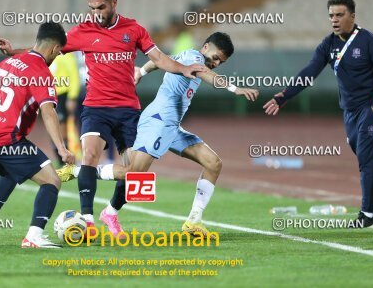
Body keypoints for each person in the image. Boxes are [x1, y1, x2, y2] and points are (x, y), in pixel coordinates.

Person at [0, 0, 206, 238]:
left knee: (136, 173)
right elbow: (45, 50)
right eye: (92, 8)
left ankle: (111, 213)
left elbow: (158, 58)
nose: (97, 13)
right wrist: (13, 51)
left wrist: (182, 69)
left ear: (114, 3)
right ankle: (88, 220)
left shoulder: (134, 30)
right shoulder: (83, 31)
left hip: (128, 109)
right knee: (90, 153)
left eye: (101, 7)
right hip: (96, 107)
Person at [58, 32, 259, 238]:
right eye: (216, 57)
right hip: (158, 122)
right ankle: (80, 172)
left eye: (220, 62)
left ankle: (193, 221)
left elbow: (159, 61)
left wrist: (142, 71)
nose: (216, 63)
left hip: (172, 127)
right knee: (134, 174)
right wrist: (235, 89)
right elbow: (206, 75)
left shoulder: (184, 55)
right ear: (206, 47)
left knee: (213, 163)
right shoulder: (195, 59)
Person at [263, 0, 373, 228]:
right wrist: (284, 96)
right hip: (349, 110)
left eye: (339, 15)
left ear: (352, 16)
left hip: (370, 108)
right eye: (331, 16)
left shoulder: (369, 42)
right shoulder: (328, 44)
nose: (334, 20)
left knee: (366, 160)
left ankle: (365, 215)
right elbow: (309, 72)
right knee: (369, 159)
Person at [0, 22, 74, 248]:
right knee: (52, 180)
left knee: (11, 171)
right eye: (59, 51)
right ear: (54, 49)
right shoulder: (41, 73)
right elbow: (48, 112)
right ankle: (34, 236)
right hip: (5, 140)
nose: (59, 55)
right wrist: (61, 148)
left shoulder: (8, 62)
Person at [49, 51, 80, 166]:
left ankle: (67, 160)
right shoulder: (47, 54)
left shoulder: (65, 55)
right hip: (49, 95)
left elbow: (74, 75)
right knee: (51, 128)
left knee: (61, 128)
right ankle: (60, 160)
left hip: (62, 95)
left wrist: (72, 97)